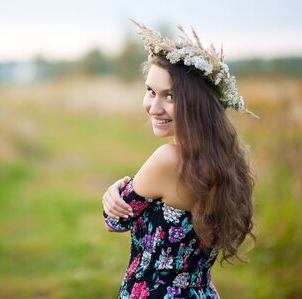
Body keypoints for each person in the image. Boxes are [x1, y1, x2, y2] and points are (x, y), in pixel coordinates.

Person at [101, 20, 258, 299]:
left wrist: (112, 194)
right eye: (151, 91)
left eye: (170, 96)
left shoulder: (169, 160)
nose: (154, 107)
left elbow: (115, 221)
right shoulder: (225, 161)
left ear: (195, 102)